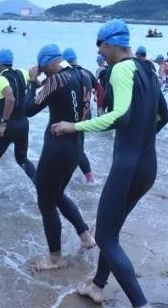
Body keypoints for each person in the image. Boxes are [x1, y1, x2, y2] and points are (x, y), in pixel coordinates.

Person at [52, 19, 168, 308]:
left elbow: (119, 116)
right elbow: (164, 116)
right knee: (111, 231)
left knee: (105, 236)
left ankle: (141, 304)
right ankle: (97, 286)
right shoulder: (148, 69)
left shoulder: (120, 69)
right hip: (146, 166)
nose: (99, 51)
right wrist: (142, 140)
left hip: (127, 168)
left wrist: (74, 126)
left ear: (112, 43)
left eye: (100, 45)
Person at [24, 45, 96, 270]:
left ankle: (55, 258)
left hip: (57, 149)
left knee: (45, 202)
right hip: (76, 146)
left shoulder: (56, 80)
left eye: (44, 69)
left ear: (47, 63)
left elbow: (28, 108)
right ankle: (85, 236)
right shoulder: (84, 74)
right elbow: (88, 113)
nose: (43, 73)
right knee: (56, 195)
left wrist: (31, 82)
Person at [0, 49, 36, 197]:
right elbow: (35, 73)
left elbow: (10, 98)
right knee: (22, 159)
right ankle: (41, 187)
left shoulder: (0, 79)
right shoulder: (21, 72)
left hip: (9, 126)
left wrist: (4, 123)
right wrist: (34, 82)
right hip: (23, 124)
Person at [63, 48, 98, 183]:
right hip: (86, 115)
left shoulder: (65, 75)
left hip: (72, 115)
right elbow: (99, 89)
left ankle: (88, 179)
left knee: (74, 149)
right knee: (78, 146)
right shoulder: (86, 72)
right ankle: (88, 178)